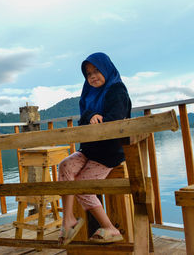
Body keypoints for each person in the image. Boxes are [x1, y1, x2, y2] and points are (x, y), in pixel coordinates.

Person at [58, 52, 132, 245]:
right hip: (89, 150)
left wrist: (96, 119)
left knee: (83, 186)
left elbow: (113, 122)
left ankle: (110, 228)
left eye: (97, 70)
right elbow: (83, 119)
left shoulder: (117, 90)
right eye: (88, 73)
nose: (92, 76)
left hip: (109, 152)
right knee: (65, 166)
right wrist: (91, 114)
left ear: (107, 69)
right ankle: (68, 221)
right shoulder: (88, 94)